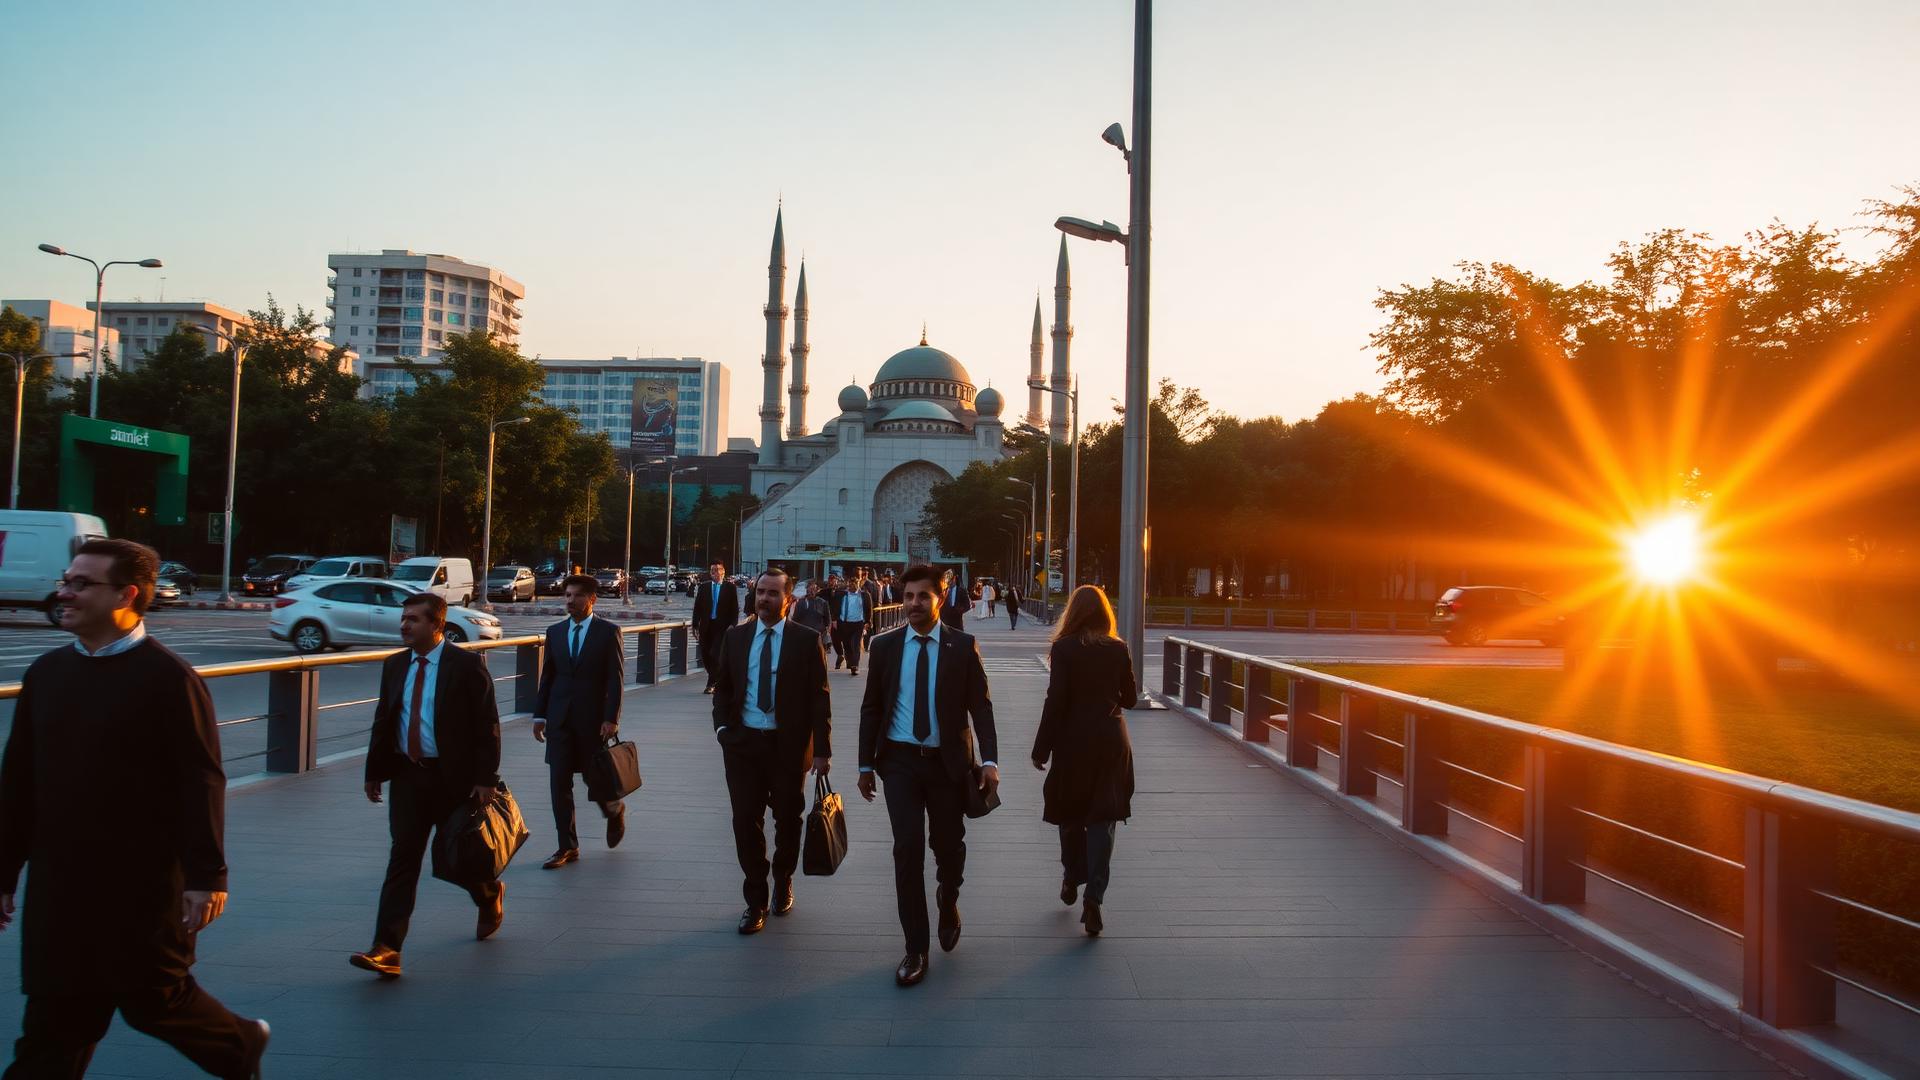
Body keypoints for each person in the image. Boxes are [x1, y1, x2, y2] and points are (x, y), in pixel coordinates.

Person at [0, 539, 271, 1079]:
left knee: (155, 1000)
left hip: (142, 887)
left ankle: (238, 1045)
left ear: (125, 594)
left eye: (81, 583)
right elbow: (19, 781)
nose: (64, 592)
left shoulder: (169, 680)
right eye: (66, 579)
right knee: (55, 1019)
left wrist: (207, 875)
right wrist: (5, 869)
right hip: (60, 887)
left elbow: (201, 782)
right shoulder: (47, 674)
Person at [349, 592, 505, 978]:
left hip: (455, 780)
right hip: (408, 776)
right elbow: (385, 719)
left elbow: (487, 724)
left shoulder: (466, 666)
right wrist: (374, 771)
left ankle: (489, 896)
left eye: (414, 619)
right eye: (403, 619)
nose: (404, 625)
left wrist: (485, 778)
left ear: (437, 625)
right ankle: (387, 947)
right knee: (403, 859)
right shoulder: (395, 665)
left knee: (457, 861)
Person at [857, 564, 999, 987]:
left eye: (923, 596)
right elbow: (871, 709)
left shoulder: (963, 646)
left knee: (948, 847)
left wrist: (990, 761)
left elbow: (982, 708)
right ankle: (915, 947)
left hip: (946, 764)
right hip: (899, 762)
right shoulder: (884, 647)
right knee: (907, 848)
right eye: (908, 596)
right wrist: (866, 764)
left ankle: (948, 896)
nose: (914, 604)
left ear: (941, 597)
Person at [712, 569, 832, 935]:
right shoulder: (736, 637)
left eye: (772, 593)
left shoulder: (805, 640)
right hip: (743, 745)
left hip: (788, 745)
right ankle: (755, 899)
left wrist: (822, 751)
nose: (764, 599)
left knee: (788, 819)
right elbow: (724, 689)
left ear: (788, 599)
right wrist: (722, 730)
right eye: (760, 592)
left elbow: (819, 698)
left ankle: (783, 877)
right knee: (745, 821)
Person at [1031, 586, 1138, 937]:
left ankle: (1070, 875)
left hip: (1072, 742)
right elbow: (1131, 699)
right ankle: (1094, 898)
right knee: (1104, 819)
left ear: (1073, 613)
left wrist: (1041, 748)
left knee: (1070, 813)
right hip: (1110, 741)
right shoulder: (1119, 648)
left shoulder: (1063, 649)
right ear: (1105, 613)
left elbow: (1056, 700)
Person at [531, 574, 627, 870]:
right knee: (559, 783)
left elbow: (616, 678)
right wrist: (540, 714)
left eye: (576, 596)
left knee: (595, 780)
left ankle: (614, 811)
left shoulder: (607, 632)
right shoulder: (555, 632)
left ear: (591, 600)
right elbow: (548, 676)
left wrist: (611, 718)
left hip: (593, 721)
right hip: (559, 721)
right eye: (567, 596)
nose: (570, 601)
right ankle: (567, 846)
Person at [691, 562, 739, 694]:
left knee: (715, 654)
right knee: (706, 655)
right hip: (706, 627)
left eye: (718, 569)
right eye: (713, 570)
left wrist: (733, 625)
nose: (715, 572)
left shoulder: (730, 588)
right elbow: (697, 608)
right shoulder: (704, 587)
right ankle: (716, 677)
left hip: (722, 627)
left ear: (723, 571)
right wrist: (695, 625)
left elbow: (735, 609)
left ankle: (711, 683)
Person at [835, 567, 872, 676]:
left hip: (858, 623)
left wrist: (868, 622)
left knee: (855, 645)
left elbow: (869, 609)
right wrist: (834, 620)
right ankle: (850, 662)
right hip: (844, 623)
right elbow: (835, 607)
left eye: (854, 584)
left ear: (858, 584)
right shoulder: (841, 594)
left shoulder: (864, 595)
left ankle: (855, 666)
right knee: (846, 645)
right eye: (850, 584)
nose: (851, 586)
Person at [790, 578, 834, 642]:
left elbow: (828, 620)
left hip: (819, 636)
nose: (812, 591)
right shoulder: (800, 602)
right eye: (810, 589)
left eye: (814, 589)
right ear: (806, 589)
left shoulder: (822, 602)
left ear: (816, 590)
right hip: (803, 636)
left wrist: (827, 633)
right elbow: (795, 620)